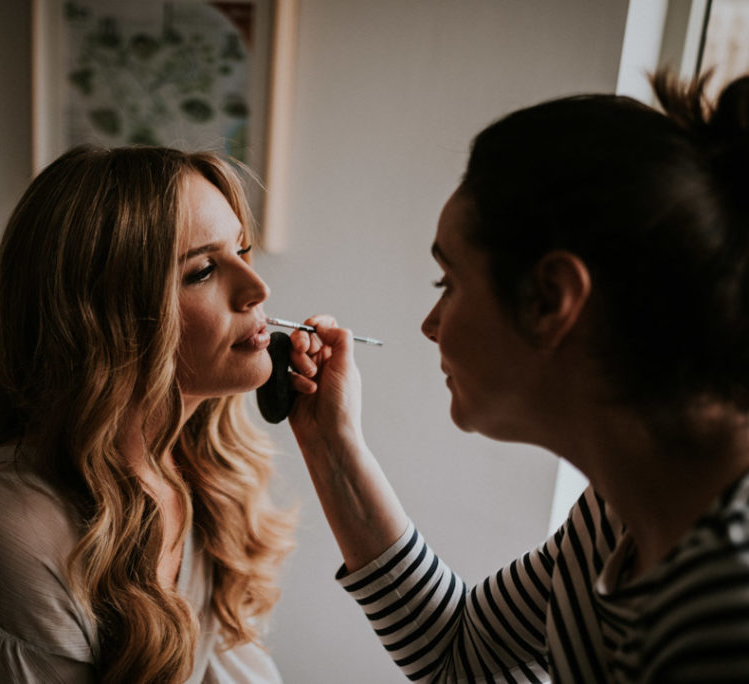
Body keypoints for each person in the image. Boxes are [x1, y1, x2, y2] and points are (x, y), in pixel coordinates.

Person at [283, 71, 749, 682]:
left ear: (550, 300)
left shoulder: (721, 613)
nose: (430, 325)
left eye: (447, 284)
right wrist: (332, 446)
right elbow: (463, 655)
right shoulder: (619, 510)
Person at [0, 146, 294, 683]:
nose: (258, 289)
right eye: (203, 270)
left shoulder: (198, 466)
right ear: (107, 320)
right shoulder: (19, 535)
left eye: (242, 250)